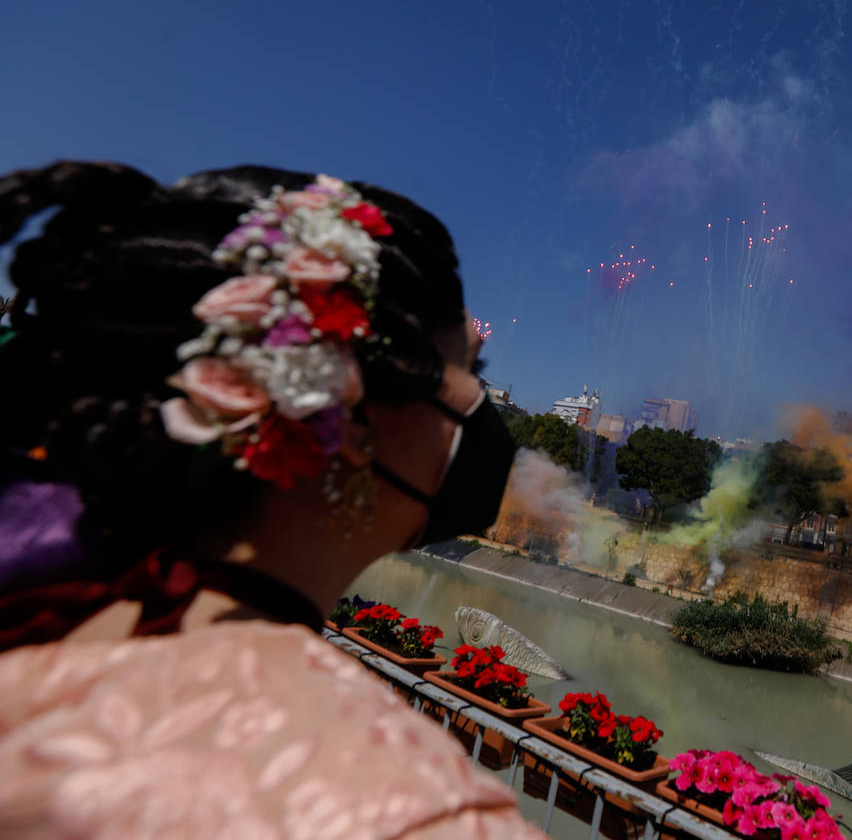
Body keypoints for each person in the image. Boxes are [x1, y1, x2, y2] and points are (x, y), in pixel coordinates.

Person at [0, 161, 545, 837]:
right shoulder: (403, 806)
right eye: (474, 368)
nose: (485, 407)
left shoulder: (57, 610)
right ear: (350, 417)